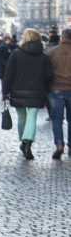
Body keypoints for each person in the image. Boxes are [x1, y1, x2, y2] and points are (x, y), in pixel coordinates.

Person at [3, 29, 53, 160]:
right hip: (36, 91)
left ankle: (23, 142)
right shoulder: (43, 56)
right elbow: (48, 75)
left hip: (18, 90)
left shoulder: (16, 54)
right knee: (32, 117)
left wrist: (5, 91)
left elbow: (8, 74)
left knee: (21, 116)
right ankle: (28, 143)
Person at [46, 28, 71, 159]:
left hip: (56, 88)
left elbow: (46, 72)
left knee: (57, 119)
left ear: (62, 38)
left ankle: (59, 144)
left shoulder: (51, 52)